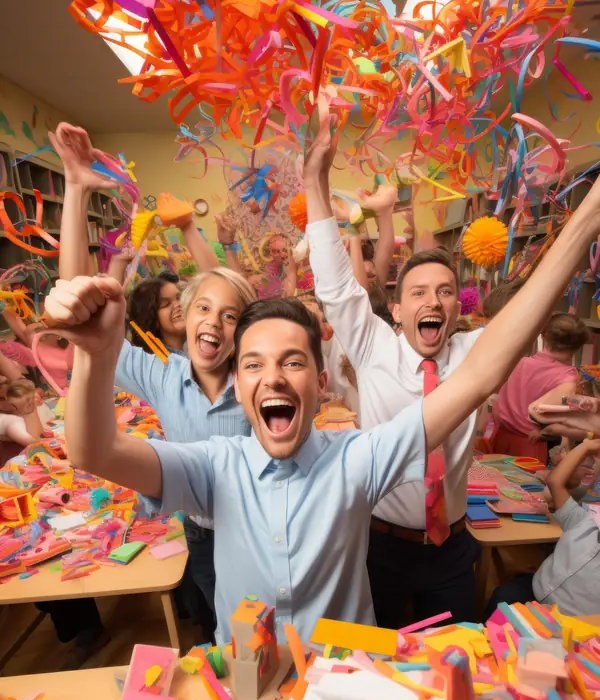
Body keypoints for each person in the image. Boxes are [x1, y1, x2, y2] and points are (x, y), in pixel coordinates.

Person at [43, 153, 600, 642]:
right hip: (247, 698)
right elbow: (94, 452)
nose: (275, 377)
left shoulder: (356, 458)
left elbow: (480, 374)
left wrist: (587, 218)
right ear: (238, 383)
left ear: (321, 381)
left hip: (346, 693)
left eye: (293, 361)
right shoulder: (215, 466)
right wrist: (94, 352)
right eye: (254, 363)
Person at [55, 125, 256, 642]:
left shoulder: (257, 374)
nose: (214, 322)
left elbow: (234, 295)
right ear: (185, 318)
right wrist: (75, 190)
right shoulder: (162, 375)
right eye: (203, 310)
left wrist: (196, 234)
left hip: (262, 525)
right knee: (226, 634)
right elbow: (82, 308)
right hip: (203, 535)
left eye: (230, 317)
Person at [303, 107, 485, 627]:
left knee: (453, 664)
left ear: (457, 308)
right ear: (398, 309)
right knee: (379, 669)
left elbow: (527, 313)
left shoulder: (473, 356)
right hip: (380, 546)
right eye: (420, 293)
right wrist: (316, 180)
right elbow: (337, 287)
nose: (434, 301)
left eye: (445, 292)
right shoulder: (374, 347)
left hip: (452, 549)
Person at [485, 437, 600, 618]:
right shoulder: (584, 521)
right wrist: (586, 446)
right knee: (502, 598)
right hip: (535, 592)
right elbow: (555, 482)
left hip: (571, 620)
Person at [490, 312, 590, 461]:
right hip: (530, 445)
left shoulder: (518, 362)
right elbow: (551, 415)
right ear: (578, 346)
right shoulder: (567, 377)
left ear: (543, 336)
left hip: (498, 437)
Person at [126, 271, 186, 355]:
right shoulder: (156, 364)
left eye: (179, 297)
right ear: (152, 318)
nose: (178, 304)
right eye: (166, 304)